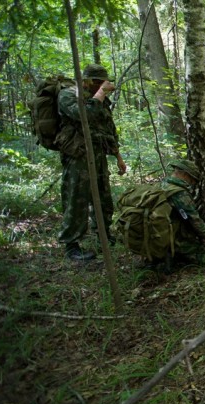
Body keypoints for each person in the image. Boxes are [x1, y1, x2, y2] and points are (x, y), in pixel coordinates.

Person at [56, 64, 126, 261]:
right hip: (78, 155)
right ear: (87, 81)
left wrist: (118, 156)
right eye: (97, 83)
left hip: (98, 154)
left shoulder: (100, 100)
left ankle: (103, 235)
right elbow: (84, 116)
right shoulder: (69, 95)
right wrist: (101, 94)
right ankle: (71, 245)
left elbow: (108, 128)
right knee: (76, 198)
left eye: (102, 83)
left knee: (103, 198)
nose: (101, 86)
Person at [159, 160, 205, 267]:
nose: (192, 183)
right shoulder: (179, 193)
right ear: (184, 174)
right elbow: (193, 219)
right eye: (192, 179)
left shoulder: (162, 185)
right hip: (175, 241)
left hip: (159, 236)